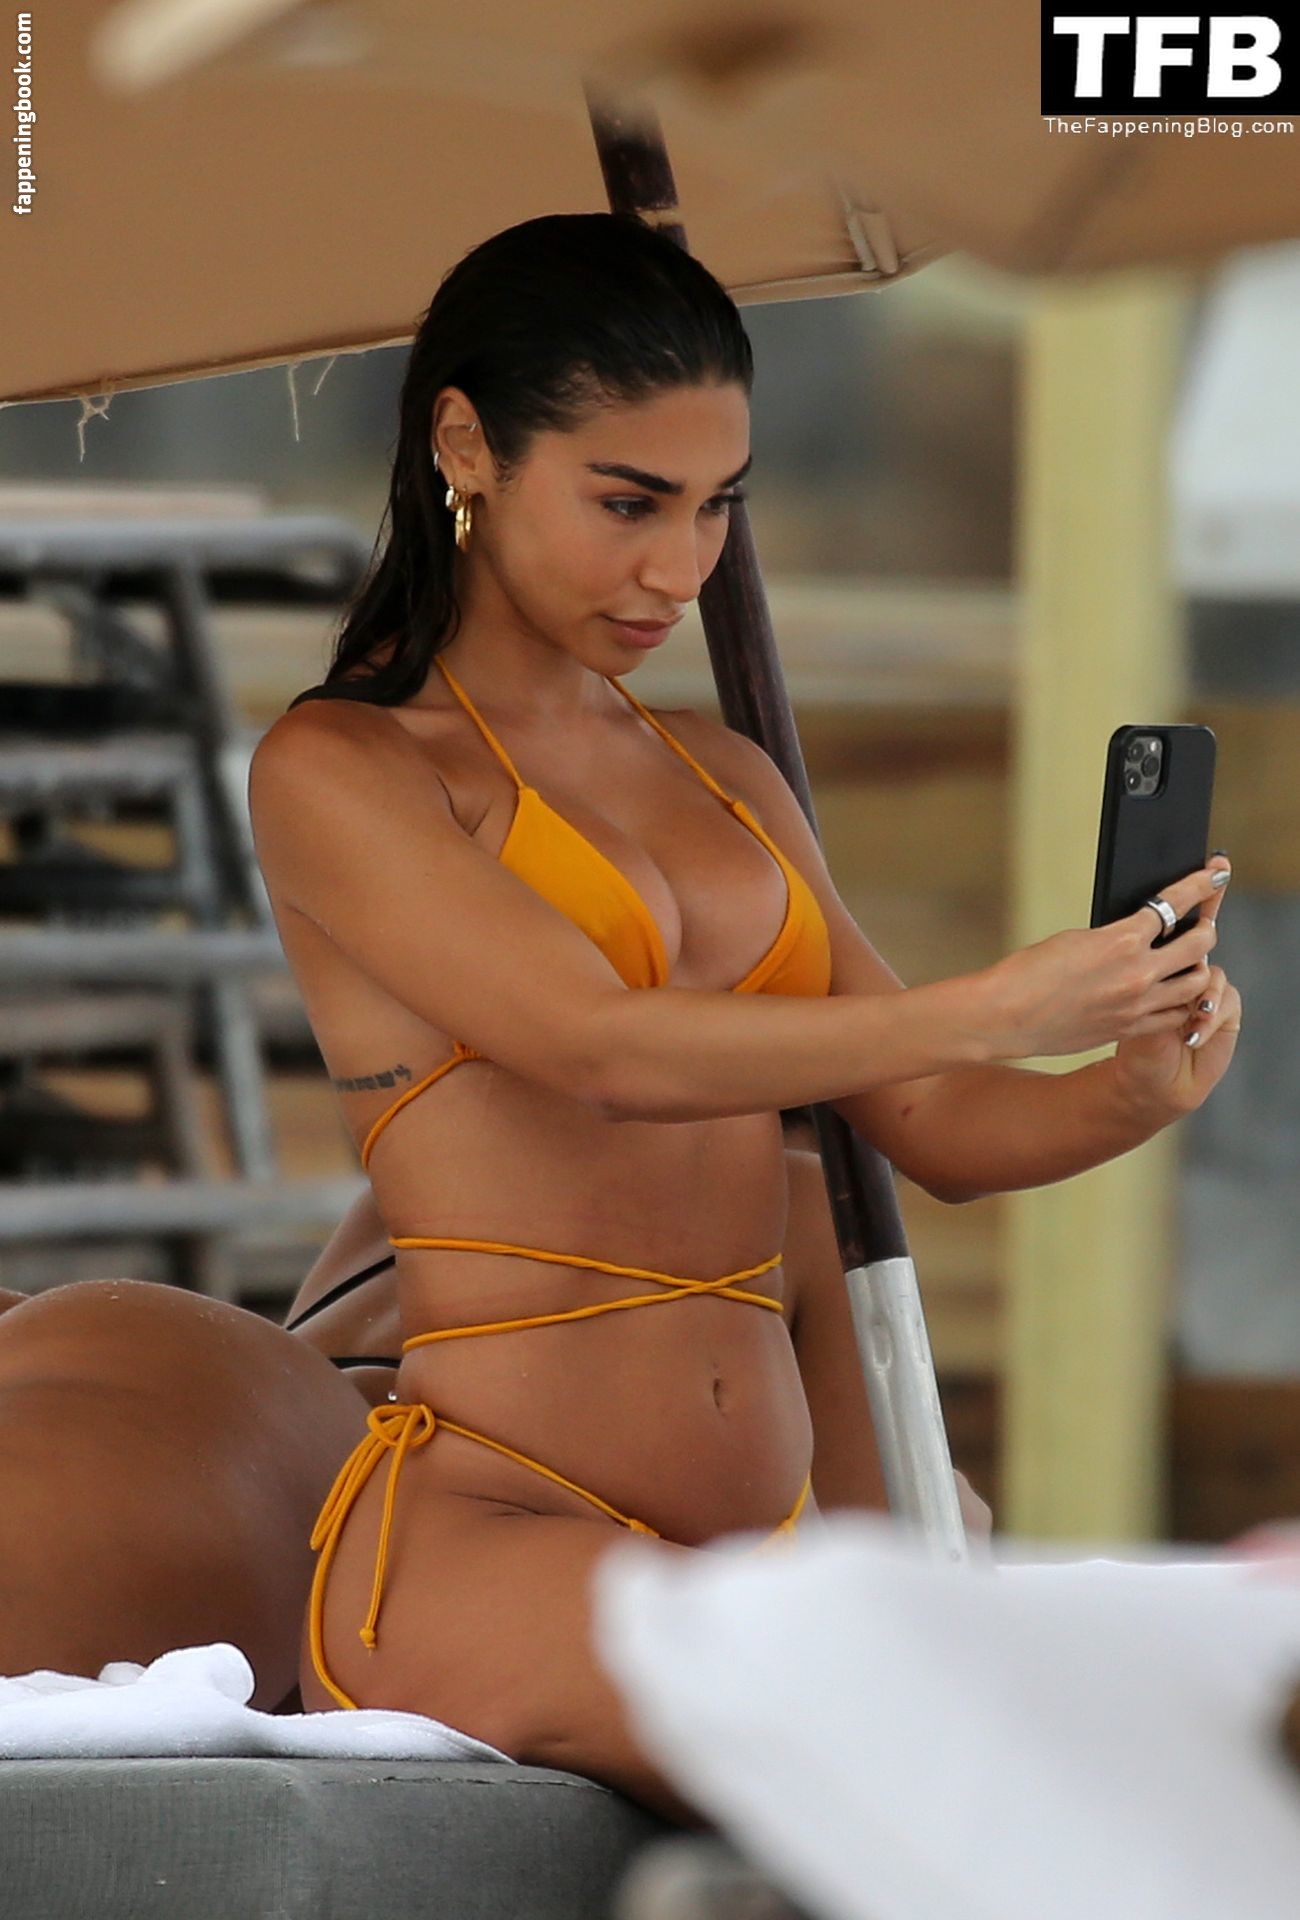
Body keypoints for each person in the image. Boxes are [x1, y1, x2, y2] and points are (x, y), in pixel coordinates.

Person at [244, 209, 1240, 1823]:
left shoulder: (727, 775)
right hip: (500, 1537)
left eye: (719, 506)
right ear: (466, 445)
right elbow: (602, 1047)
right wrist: (993, 1004)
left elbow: (936, 1133)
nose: (681, 568)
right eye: (628, 502)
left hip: (765, 1548)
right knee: (977, 1765)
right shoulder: (342, 768)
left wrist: (1131, 1082)